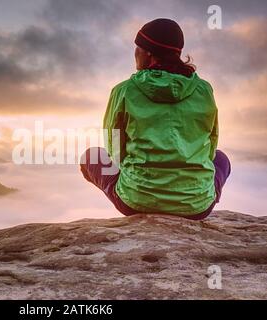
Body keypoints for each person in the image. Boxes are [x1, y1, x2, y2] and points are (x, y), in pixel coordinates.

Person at [80, 18, 231, 220]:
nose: (134, 53)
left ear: (149, 52)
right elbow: (211, 146)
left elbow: (114, 150)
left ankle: (142, 197)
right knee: (222, 159)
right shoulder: (204, 90)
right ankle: (199, 194)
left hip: (135, 202)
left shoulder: (124, 90)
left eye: (138, 47)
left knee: (90, 157)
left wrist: (143, 177)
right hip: (196, 207)